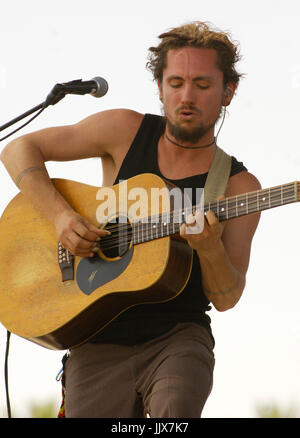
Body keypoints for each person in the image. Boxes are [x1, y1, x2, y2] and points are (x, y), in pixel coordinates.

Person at [0, 21, 261, 418]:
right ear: (160, 87)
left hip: (178, 339)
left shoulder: (239, 186)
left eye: (202, 85)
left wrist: (208, 249)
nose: (186, 96)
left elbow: (226, 297)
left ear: (228, 92)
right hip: (95, 339)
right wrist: (61, 217)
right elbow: (19, 149)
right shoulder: (123, 131)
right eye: (175, 83)